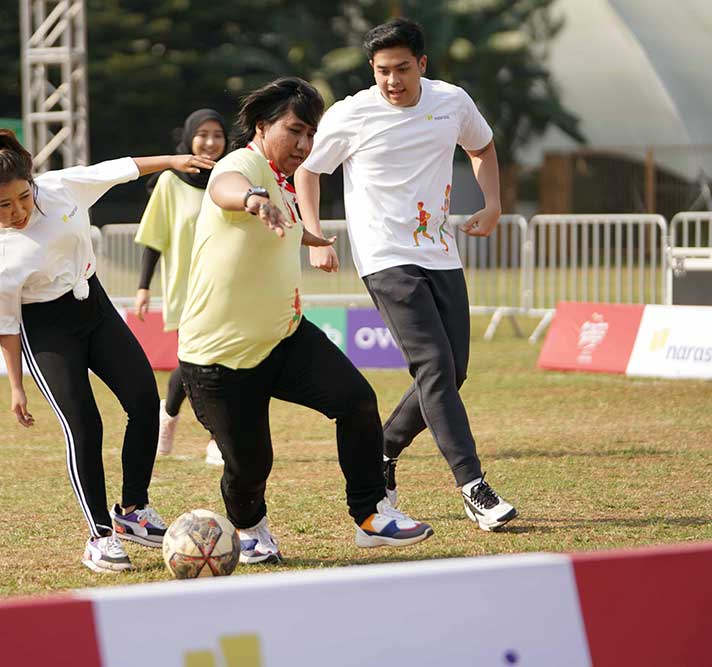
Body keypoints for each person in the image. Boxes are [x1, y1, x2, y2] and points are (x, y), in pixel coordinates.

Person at [177, 77, 435, 565]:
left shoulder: (284, 181)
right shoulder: (245, 165)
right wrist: (253, 199)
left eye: (311, 134)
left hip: (284, 336)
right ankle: (250, 527)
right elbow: (224, 186)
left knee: (356, 401)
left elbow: (276, 227)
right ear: (262, 127)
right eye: (295, 131)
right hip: (218, 357)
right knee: (250, 467)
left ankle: (371, 514)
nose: (304, 144)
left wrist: (307, 237)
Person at [0, 119, 216, 572]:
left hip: (93, 307)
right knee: (86, 427)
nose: (18, 210)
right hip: (46, 330)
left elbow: (119, 169)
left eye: (23, 196)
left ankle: (133, 511)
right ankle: (99, 536)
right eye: (4, 205)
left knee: (142, 400)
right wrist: (16, 388)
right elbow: (5, 326)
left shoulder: (58, 188)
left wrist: (172, 161)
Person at [295, 18, 518, 532]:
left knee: (451, 372)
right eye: (381, 71)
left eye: (400, 69)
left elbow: (481, 148)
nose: (391, 81)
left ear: (422, 64)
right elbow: (309, 172)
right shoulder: (351, 113)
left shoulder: (452, 102)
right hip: (384, 256)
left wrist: (493, 204)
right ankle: (473, 486)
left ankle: (382, 452)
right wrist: (313, 236)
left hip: (440, 253)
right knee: (436, 365)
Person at [134, 109, 228, 466]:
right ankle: (170, 416)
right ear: (189, 137)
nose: (210, 141)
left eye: (217, 134)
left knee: (221, 363)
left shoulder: (230, 176)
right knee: (193, 363)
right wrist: (143, 287)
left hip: (228, 285)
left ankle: (218, 439)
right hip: (187, 288)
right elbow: (154, 237)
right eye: (203, 134)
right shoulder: (170, 182)